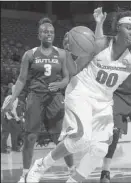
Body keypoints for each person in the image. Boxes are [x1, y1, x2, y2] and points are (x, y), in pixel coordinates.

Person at [23, 8, 131, 183]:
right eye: (129, 27)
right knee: (81, 140)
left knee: (100, 149)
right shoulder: (100, 44)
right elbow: (75, 70)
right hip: (81, 92)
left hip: (105, 100)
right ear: (118, 27)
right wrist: (68, 52)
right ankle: (41, 164)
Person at [2, 17, 70, 183]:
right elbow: (21, 79)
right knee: (30, 137)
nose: (49, 34)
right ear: (39, 35)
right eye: (45, 32)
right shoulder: (29, 54)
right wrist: (12, 98)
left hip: (55, 98)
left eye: (52, 32)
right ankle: (25, 174)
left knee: (59, 138)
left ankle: (72, 171)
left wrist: (60, 84)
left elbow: (67, 77)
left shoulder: (61, 54)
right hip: (35, 97)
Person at [93, 7, 131, 182]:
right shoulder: (110, 42)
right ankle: (105, 171)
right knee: (113, 130)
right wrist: (99, 24)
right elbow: (98, 43)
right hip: (118, 94)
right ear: (119, 27)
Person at [1, 85, 21, 153]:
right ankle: (2, 149)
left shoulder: (17, 99)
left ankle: (15, 148)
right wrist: (14, 117)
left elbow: (13, 109)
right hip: (5, 115)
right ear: (13, 91)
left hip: (11, 116)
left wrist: (16, 117)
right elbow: (5, 109)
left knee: (15, 132)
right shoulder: (9, 98)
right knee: (5, 133)